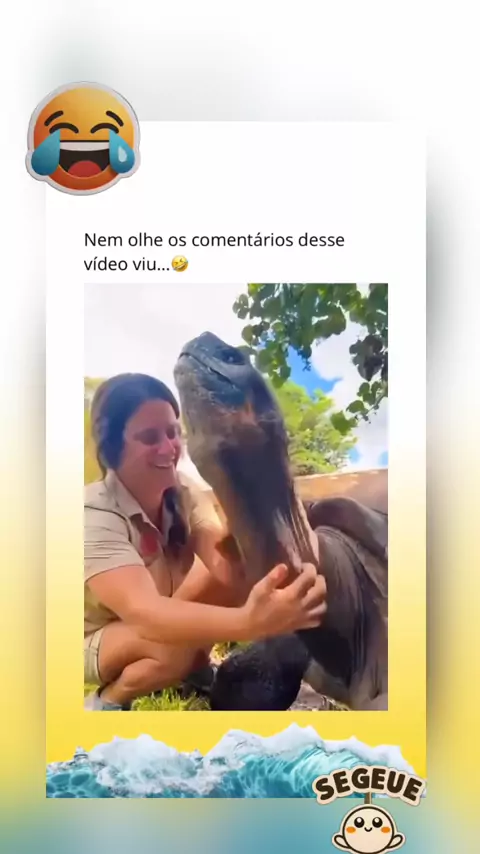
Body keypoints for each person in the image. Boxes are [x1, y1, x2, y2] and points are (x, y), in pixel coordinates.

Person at [84, 372, 327, 710]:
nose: (168, 448)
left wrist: (252, 491)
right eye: (149, 437)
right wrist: (250, 623)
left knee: (227, 582)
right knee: (170, 648)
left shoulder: (185, 492)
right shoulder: (93, 513)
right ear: (112, 447)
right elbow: (145, 614)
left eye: (172, 432)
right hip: (92, 638)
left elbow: (223, 565)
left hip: (157, 613)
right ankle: (108, 700)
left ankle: (191, 666)